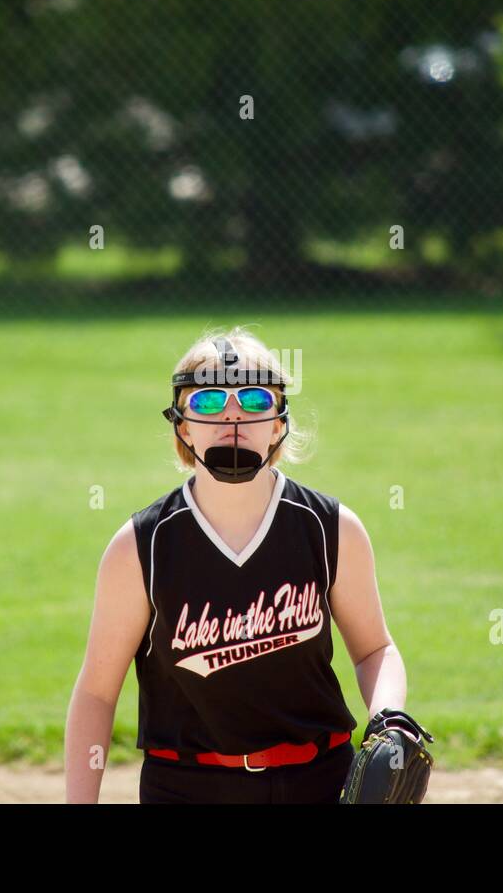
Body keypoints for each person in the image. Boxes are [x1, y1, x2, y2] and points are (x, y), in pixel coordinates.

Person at [65, 326, 412, 803]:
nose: (232, 416)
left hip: (318, 781)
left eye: (253, 399)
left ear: (278, 422)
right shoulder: (142, 546)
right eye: (208, 401)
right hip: (187, 787)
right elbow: (98, 693)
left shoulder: (330, 528)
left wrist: (387, 719)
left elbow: (375, 650)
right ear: (182, 424)